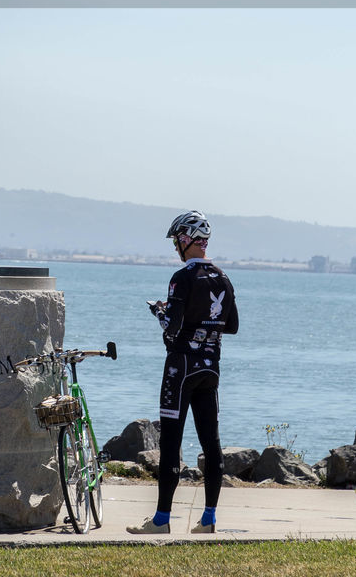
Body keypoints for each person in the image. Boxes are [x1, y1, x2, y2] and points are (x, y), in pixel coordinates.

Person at [127, 209, 238, 536]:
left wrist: (160, 311)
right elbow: (232, 326)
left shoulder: (182, 278)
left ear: (185, 240)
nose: (176, 246)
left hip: (181, 366)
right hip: (211, 368)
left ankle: (161, 521)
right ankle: (209, 519)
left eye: (177, 240)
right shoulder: (223, 277)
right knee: (211, 442)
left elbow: (171, 326)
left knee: (172, 443)